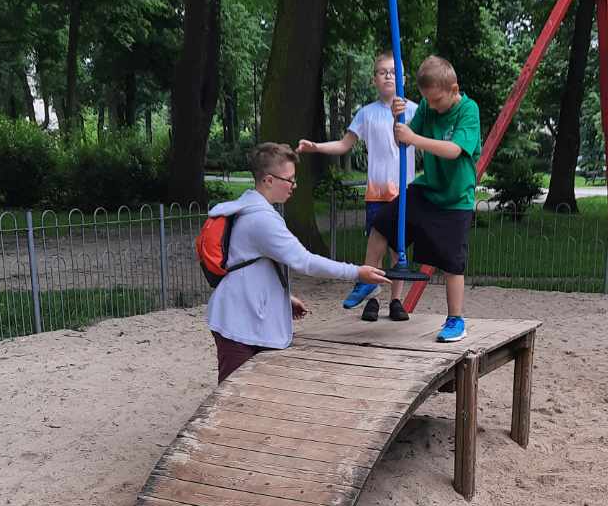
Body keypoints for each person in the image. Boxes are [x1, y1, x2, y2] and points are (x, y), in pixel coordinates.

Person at [205, 143, 388, 382]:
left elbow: (252, 264)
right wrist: (356, 272)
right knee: (233, 394)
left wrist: (283, 298)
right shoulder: (261, 219)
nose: (294, 185)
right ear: (268, 180)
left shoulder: (250, 208)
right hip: (238, 322)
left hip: (243, 314)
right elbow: (304, 262)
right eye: (289, 179)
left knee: (257, 389)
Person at [364, 54, 481, 344]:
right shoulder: (429, 107)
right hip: (428, 189)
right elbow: (402, 141)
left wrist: (413, 138)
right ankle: (366, 280)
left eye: (437, 100)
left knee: (453, 263)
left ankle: (455, 320)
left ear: (454, 89)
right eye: (427, 99)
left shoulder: (468, 110)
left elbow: (454, 150)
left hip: (455, 198)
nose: (432, 105)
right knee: (381, 223)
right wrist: (397, 120)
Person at [296, 51, 418, 316]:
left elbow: (418, 142)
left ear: (403, 78)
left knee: (398, 250)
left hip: (404, 192)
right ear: (374, 79)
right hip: (377, 192)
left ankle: (396, 301)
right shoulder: (366, 113)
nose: (389, 76)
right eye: (383, 72)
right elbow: (344, 144)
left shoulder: (414, 111)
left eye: (394, 72)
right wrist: (316, 147)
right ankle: (372, 297)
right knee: (375, 249)